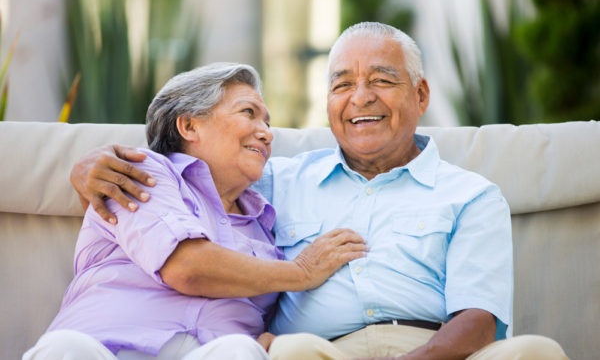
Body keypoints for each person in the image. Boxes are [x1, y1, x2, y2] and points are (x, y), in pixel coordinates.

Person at [69, 23, 569, 359]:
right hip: (316, 351)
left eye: (381, 80)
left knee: (537, 353)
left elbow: (478, 321)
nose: (361, 97)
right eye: (341, 84)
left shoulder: (472, 195)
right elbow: (199, 176)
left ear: (420, 95)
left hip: (435, 351)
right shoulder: (272, 181)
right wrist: (90, 164)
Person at [24, 62, 368, 360]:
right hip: (109, 346)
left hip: (214, 351)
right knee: (66, 349)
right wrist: (301, 272)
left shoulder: (268, 221)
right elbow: (187, 267)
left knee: (240, 351)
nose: (266, 133)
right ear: (189, 126)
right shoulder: (141, 171)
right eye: (248, 113)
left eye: (267, 122)